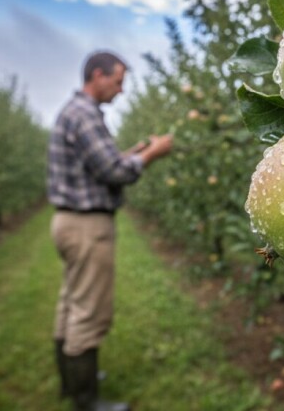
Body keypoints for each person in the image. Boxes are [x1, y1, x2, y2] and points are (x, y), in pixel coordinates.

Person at [47, 51, 173, 411]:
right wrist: (153, 154)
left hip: (68, 220)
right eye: (118, 81)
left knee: (71, 302)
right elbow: (116, 173)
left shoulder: (75, 113)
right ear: (97, 76)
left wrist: (133, 152)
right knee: (88, 310)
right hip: (87, 226)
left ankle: (73, 382)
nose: (120, 91)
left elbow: (102, 163)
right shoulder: (85, 115)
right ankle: (86, 402)